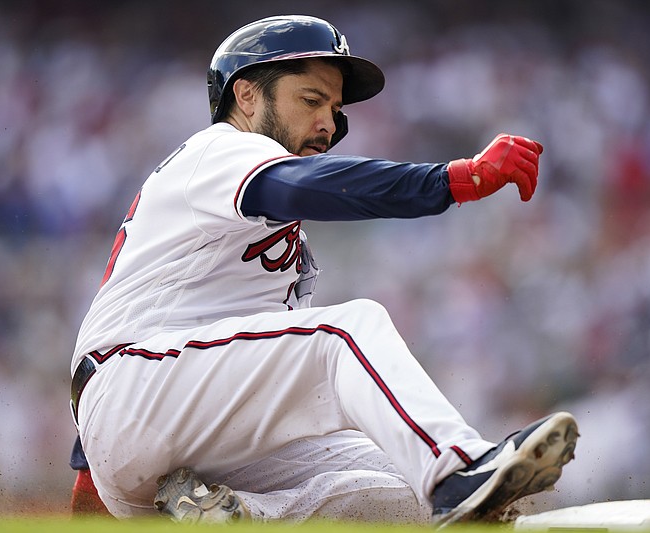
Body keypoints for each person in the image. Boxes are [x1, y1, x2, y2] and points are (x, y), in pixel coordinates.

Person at [68, 14, 579, 526]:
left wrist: (93, 490)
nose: (329, 124)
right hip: (133, 393)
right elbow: (299, 185)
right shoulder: (218, 150)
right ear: (246, 96)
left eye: (334, 109)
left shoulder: (269, 229)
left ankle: (238, 515)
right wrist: (453, 180)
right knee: (345, 330)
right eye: (311, 101)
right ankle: (460, 469)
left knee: (405, 480)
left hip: (167, 435)